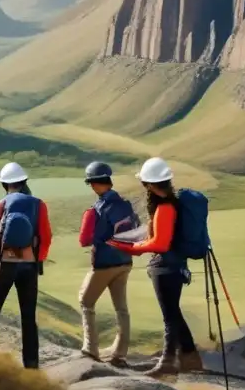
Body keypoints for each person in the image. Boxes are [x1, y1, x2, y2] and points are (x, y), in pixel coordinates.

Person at [106, 157, 203, 377]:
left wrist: (133, 248)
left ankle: (167, 363)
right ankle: (191, 357)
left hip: (165, 268)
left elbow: (160, 243)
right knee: (174, 313)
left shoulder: (166, 208)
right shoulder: (169, 204)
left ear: (149, 184)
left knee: (169, 316)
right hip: (174, 266)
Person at [0, 161, 53, 369]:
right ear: (24, 181)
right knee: (28, 318)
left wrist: (4, 254)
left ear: (4, 185)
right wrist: (34, 257)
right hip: (29, 267)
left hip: (5, 266)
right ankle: (31, 366)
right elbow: (46, 237)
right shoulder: (39, 204)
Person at [77, 161, 135, 367]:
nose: (91, 187)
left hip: (104, 263)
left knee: (85, 301)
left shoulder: (99, 208)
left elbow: (84, 239)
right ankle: (120, 353)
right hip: (125, 261)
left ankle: (90, 349)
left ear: (95, 183)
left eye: (91, 183)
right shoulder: (125, 204)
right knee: (121, 308)